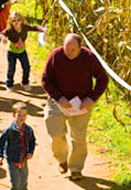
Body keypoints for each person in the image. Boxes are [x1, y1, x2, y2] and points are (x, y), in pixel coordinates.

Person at [42, 33, 109, 180]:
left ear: (80, 48)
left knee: (78, 138)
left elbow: (102, 79)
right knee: (55, 132)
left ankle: (76, 168)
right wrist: (59, 98)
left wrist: (91, 99)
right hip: (58, 100)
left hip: (81, 103)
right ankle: (62, 159)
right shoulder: (56, 56)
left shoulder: (89, 58)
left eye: (73, 49)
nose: (69, 52)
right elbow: (46, 80)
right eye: (66, 48)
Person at [0, 11, 46, 92]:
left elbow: (35, 27)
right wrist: (3, 37)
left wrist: (43, 29)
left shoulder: (24, 27)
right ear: (10, 22)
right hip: (12, 52)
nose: (16, 23)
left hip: (22, 52)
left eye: (18, 20)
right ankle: (9, 84)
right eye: (14, 21)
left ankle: (25, 82)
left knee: (26, 67)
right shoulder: (9, 30)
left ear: (22, 21)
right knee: (11, 68)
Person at [0, 101, 36, 190]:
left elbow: (32, 141)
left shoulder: (28, 130)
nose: (22, 118)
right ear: (13, 115)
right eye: (19, 115)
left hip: (23, 159)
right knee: (15, 183)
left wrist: (30, 152)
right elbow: (1, 143)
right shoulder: (9, 130)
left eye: (24, 115)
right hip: (12, 160)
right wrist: (0, 156)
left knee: (23, 181)